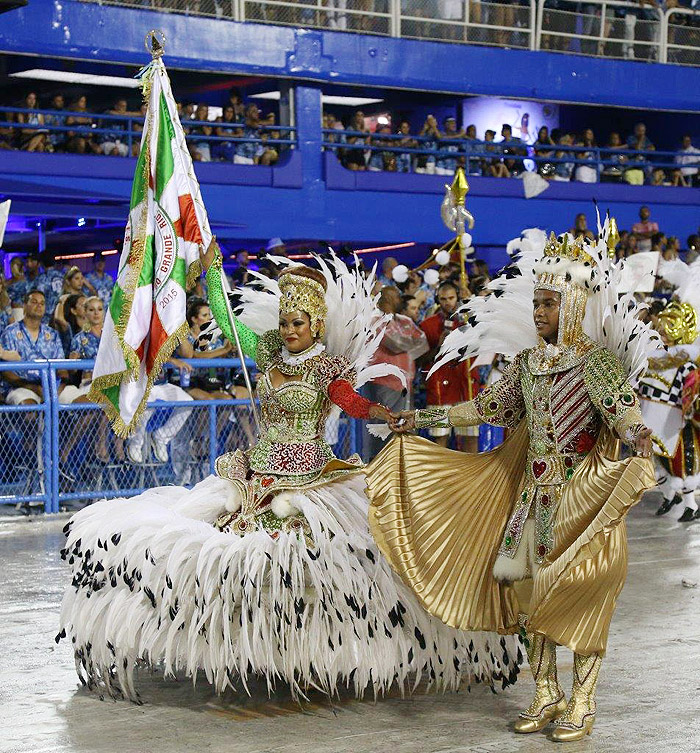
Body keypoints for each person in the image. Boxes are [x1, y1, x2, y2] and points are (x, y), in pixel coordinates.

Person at [58, 245, 519, 702]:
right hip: (255, 475)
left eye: (297, 322)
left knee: (316, 570)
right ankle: (242, 650)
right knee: (230, 566)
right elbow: (227, 318)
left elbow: (350, 403)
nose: (288, 330)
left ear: (316, 324)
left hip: (310, 482)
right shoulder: (268, 354)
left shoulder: (327, 368)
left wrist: (383, 412)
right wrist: (213, 270)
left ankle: (318, 657)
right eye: (283, 322)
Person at [370, 226, 655, 742]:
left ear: (571, 305)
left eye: (549, 303)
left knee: (583, 594)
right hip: (532, 500)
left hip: (581, 498)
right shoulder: (526, 365)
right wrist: (422, 419)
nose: (540, 313)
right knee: (526, 598)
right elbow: (486, 408)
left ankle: (584, 701)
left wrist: (637, 435)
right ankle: (546, 691)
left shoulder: (595, 365)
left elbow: (621, 412)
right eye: (537, 304)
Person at [639, 301, 700, 522]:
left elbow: (691, 399)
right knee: (657, 463)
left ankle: (690, 505)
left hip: (674, 424)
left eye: (671, 322)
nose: (664, 328)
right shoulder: (648, 359)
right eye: (663, 322)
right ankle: (669, 497)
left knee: (682, 465)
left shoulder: (687, 365)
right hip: (648, 419)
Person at [363, 286, 429, 458]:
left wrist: (407, 347)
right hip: (383, 384)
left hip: (406, 384)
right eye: (398, 296)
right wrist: (408, 345)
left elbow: (423, 343)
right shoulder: (375, 320)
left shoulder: (404, 320)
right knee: (384, 429)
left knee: (407, 427)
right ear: (388, 299)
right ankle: (379, 468)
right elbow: (395, 344)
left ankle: (405, 468)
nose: (401, 299)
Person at [420, 280, 481, 452]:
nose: (448, 302)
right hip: (439, 391)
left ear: (458, 297)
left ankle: (471, 477)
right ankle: (441, 477)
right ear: (438, 300)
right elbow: (420, 360)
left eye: (451, 298)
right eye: (443, 299)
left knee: (470, 437)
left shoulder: (471, 323)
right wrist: (439, 347)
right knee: (439, 440)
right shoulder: (428, 325)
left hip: (466, 386)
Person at [0, 289, 66, 406]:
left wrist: (59, 386)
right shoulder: (10, 332)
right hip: (20, 387)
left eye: (42, 303)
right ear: (24, 306)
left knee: (87, 404)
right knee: (29, 409)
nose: (39, 306)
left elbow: (62, 369)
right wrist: (31, 387)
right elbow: (6, 372)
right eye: (34, 302)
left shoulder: (52, 334)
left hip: (52, 387)